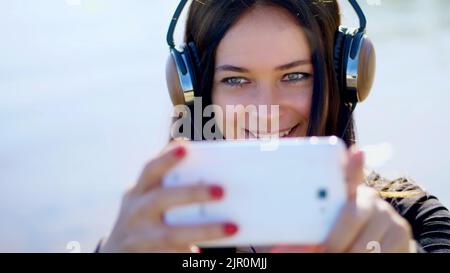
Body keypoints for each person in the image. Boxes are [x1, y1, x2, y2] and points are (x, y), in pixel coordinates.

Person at [97, 0, 450, 253]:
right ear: (197, 93)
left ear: (342, 79)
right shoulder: (158, 235)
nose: (266, 111)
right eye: (236, 81)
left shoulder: (412, 221)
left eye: (295, 75)